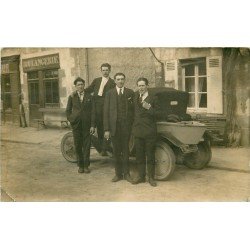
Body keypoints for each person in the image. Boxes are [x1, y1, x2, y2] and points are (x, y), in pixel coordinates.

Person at [103, 73, 134, 182]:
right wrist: (106, 129)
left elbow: (133, 112)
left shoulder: (130, 93)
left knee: (126, 151)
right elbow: (106, 112)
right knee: (116, 151)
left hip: (126, 127)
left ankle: (127, 174)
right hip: (114, 128)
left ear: (124, 80)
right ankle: (118, 174)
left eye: (122, 79)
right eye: (118, 79)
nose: (120, 81)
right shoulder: (109, 93)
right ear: (115, 81)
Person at [132, 77, 160, 187]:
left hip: (149, 131)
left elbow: (159, 113)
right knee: (139, 155)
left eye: (143, 85)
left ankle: (151, 178)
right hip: (138, 130)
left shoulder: (153, 97)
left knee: (150, 155)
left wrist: (149, 107)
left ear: (147, 86)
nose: (141, 88)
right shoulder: (135, 96)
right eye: (139, 85)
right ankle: (141, 176)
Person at [66, 77, 95, 174]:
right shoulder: (72, 97)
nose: (80, 86)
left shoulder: (89, 97)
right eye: (78, 85)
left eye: (82, 84)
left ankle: (86, 166)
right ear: (76, 86)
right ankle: (80, 165)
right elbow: (68, 110)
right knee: (78, 145)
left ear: (84, 85)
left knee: (86, 146)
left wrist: (92, 125)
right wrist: (72, 120)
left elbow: (93, 112)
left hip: (87, 125)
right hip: (76, 125)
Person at [85, 63, 115, 156]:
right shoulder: (96, 81)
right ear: (101, 71)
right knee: (96, 129)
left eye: (107, 70)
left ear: (110, 71)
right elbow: (88, 90)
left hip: (106, 107)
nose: (105, 72)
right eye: (103, 70)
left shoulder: (112, 83)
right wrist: (78, 92)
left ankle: (105, 149)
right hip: (95, 107)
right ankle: (102, 148)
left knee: (106, 129)